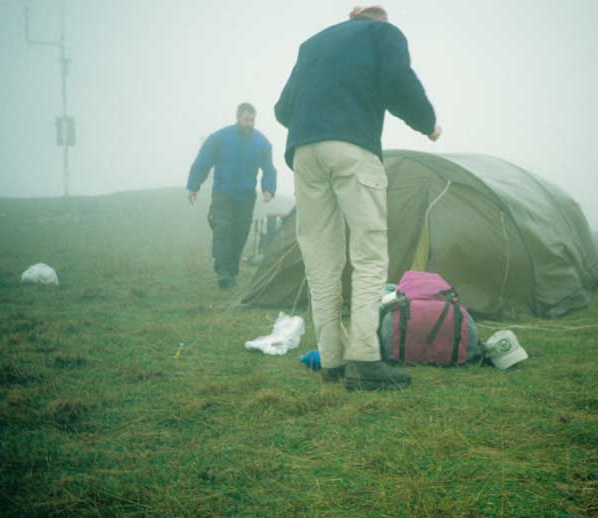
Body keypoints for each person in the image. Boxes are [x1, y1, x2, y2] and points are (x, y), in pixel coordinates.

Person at [275, 6, 441, 390]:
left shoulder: (312, 44)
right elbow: (398, 81)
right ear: (376, 18)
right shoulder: (383, 34)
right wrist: (427, 122)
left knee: (321, 258)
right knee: (368, 254)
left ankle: (332, 359)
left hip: (304, 152)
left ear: (352, 15)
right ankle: (365, 359)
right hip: (352, 148)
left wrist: (315, 119)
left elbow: (284, 109)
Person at [187, 103, 277, 289]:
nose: (249, 124)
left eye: (252, 120)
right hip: (223, 194)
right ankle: (223, 273)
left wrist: (268, 189)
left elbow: (269, 169)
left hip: (246, 197)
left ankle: (231, 272)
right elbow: (203, 161)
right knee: (223, 229)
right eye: (246, 120)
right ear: (238, 118)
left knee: (240, 234)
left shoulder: (261, 143)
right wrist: (193, 186)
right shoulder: (220, 138)